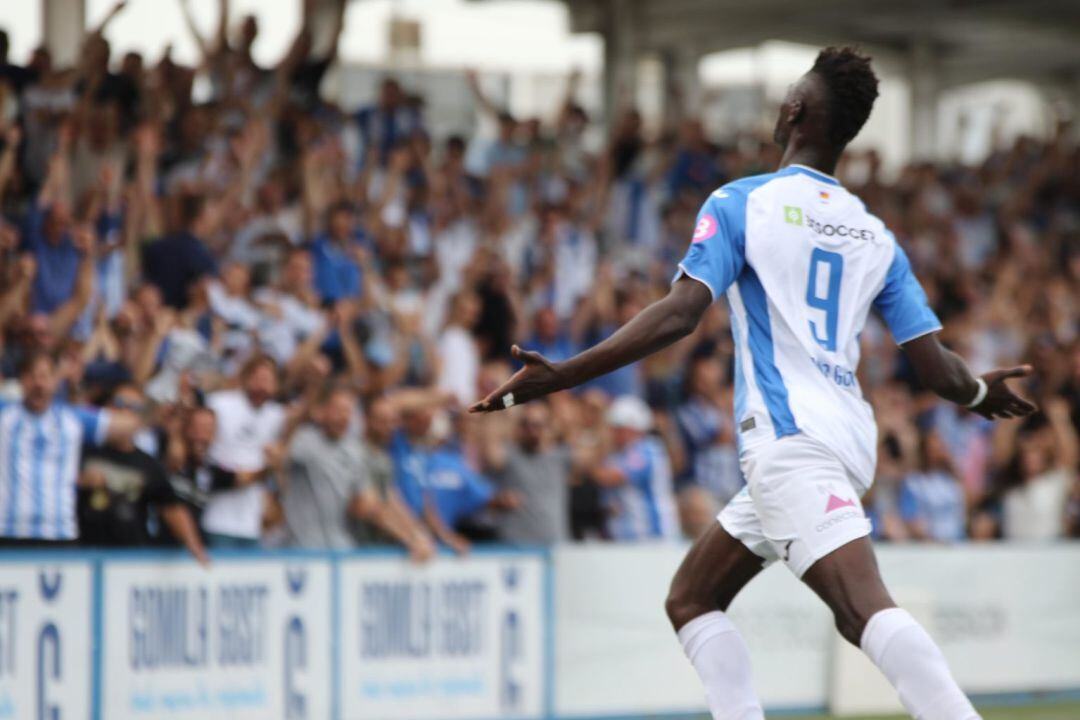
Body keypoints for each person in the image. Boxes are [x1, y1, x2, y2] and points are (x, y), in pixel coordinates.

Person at [470, 47, 1036, 720]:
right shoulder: (873, 233)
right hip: (845, 439)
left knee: (862, 612)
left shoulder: (743, 202)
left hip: (789, 441)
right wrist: (978, 393)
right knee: (691, 599)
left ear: (794, 110)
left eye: (784, 97)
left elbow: (680, 314)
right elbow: (936, 367)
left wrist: (563, 374)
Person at [0, 351, 139, 545]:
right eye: (31, 376)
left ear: (55, 381)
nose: (38, 384)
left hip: (60, 533)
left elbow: (128, 426)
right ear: (21, 380)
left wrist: (152, 399)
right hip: (9, 531)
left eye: (45, 376)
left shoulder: (73, 418)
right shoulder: (5, 414)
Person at [281, 384, 433, 558]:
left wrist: (414, 537)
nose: (344, 417)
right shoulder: (305, 441)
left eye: (348, 411)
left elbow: (373, 503)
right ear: (321, 411)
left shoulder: (354, 452)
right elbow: (280, 451)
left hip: (341, 549)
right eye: (338, 410)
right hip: (304, 550)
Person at [77, 384, 207, 563]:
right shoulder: (82, 451)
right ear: (107, 408)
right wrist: (79, 482)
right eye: (120, 403)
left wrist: (194, 546)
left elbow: (170, 506)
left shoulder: (148, 464)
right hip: (84, 555)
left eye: (134, 408)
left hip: (131, 557)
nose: (125, 412)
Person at [200, 354, 285, 548]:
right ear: (245, 378)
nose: (262, 385)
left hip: (252, 522)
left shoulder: (275, 415)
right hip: (218, 519)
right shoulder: (219, 403)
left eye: (268, 380)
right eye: (258, 378)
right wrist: (263, 471)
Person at [589, 395, 679, 542]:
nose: (613, 433)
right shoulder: (617, 454)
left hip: (653, 537)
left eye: (618, 428)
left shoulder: (648, 449)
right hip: (625, 539)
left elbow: (609, 477)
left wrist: (589, 465)